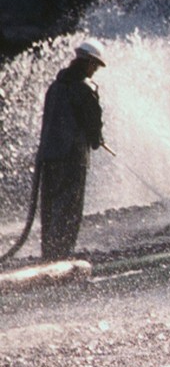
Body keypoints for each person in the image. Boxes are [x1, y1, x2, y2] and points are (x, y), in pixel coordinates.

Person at [36, 39, 106, 259]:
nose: (94, 71)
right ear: (88, 63)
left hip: (48, 157)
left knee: (49, 208)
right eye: (95, 66)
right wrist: (97, 140)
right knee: (69, 210)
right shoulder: (86, 88)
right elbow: (93, 126)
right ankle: (63, 258)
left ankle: (48, 255)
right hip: (73, 159)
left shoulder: (55, 87)